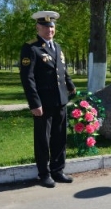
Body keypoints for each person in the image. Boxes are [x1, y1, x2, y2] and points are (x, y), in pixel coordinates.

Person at [20, 11, 76, 188]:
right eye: (45, 27)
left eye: (51, 27)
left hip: (60, 100)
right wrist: (34, 103)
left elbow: (62, 70)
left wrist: (71, 86)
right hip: (43, 104)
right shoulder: (31, 48)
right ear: (38, 28)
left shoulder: (57, 47)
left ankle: (58, 170)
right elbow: (27, 78)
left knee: (60, 137)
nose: (49, 30)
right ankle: (44, 174)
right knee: (43, 139)